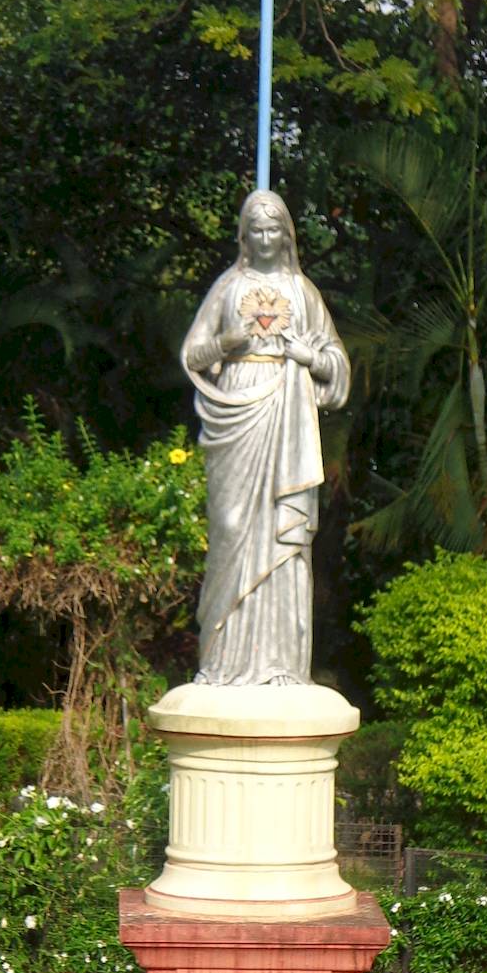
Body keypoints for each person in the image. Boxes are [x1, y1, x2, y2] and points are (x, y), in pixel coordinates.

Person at [181, 190, 350, 684]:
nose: (265, 237)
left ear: (288, 234)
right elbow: (192, 355)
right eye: (256, 229)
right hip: (236, 415)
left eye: (274, 228)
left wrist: (308, 356)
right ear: (244, 235)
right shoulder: (228, 287)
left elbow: (337, 366)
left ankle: (281, 664)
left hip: (288, 416)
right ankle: (221, 660)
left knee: (286, 537)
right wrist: (225, 343)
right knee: (232, 529)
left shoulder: (304, 293)